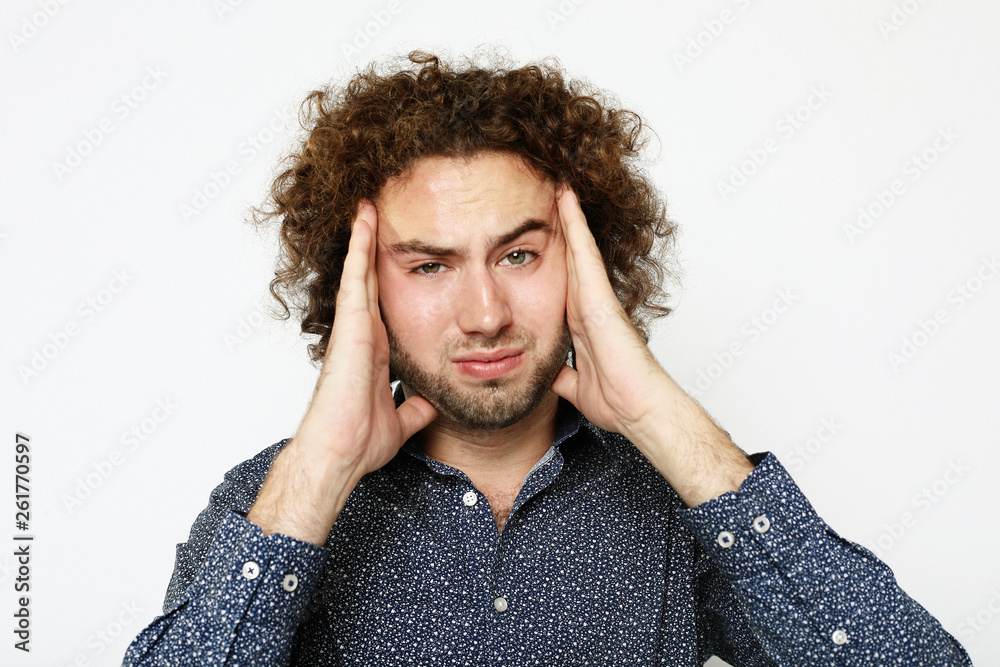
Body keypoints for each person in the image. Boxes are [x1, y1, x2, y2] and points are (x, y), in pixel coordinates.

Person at [123, 51, 971, 666]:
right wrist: (321, 473)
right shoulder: (267, 508)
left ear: (588, 260)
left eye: (520, 256)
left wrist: (661, 419)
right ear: (361, 287)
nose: (486, 314)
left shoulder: (682, 503)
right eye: (428, 265)